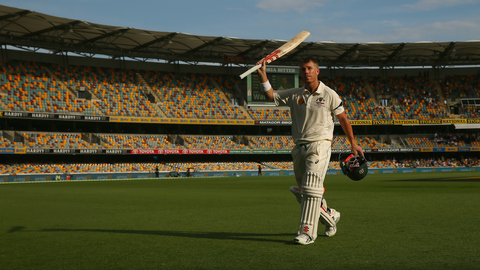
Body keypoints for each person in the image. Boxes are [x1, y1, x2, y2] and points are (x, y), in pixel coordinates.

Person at [257, 57, 364, 245]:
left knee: (311, 188)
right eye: (303, 69)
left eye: (309, 68)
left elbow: (343, 119)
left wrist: (353, 143)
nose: (306, 71)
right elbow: (271, 96)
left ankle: (307, 233)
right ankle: (330, 216)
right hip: (299, 148)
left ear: (317, 71)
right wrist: (263, 77)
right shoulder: (295, 94)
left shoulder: (329, 94)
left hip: (320, 145)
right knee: (304, 192)